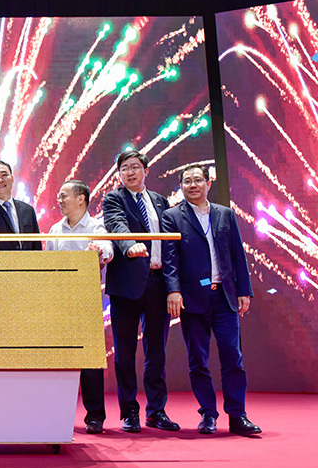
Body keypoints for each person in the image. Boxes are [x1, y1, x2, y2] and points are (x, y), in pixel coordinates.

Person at [162, 165, 260, 436]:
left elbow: (237, 253)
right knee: (198, 360)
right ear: (181, 186)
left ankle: (238, 416)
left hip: (225, 297)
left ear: (208, 183)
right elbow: (170, 258)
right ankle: (208, 414)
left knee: (232, 356)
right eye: (187, 181)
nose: (193, 185)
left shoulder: (225, 214)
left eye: (198, 180)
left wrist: (244, 290)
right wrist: (173, 290)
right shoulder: (172, 217)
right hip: (192, 299)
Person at [103, 150, 179, 433]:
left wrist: (173, 285)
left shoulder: (159, 201)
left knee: (156, 350)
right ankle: (130, 413)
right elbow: (117, 225)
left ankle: (156, 411)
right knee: (124, 352)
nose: (130, 172)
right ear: (119, 174)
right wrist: (130, 245)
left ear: (146, 171)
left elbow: (169, 244)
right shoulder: (114, 199)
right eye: (124, 168)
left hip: (158, 283)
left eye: (135, 167)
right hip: (126, 284)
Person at [46, 180, 113, 434]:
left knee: (90, 362)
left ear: (81, 198)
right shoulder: (55, 229)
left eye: (64, 196)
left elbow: (108, 250)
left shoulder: (96, 227)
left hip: (87, 302)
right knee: (59, 360)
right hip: (60, 302)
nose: (60, 200)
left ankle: (95, 416)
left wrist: (98, 251)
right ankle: (57, 414)